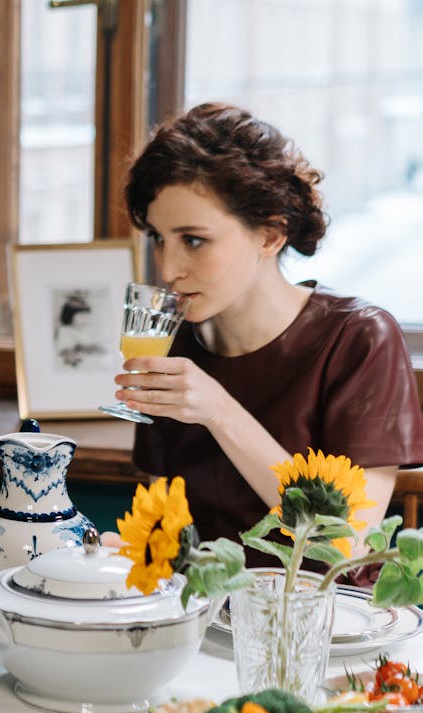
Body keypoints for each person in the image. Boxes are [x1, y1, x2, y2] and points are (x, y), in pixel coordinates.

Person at [114, 102, 423, 569]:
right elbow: (167, 535)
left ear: (271, 235)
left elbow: (348, 545)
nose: (168, 269)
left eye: (193, 240)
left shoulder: (359, 339)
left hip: (323, 624)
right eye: (158, 238)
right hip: (205, 619)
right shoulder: (172, 345)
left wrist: (218, 410)